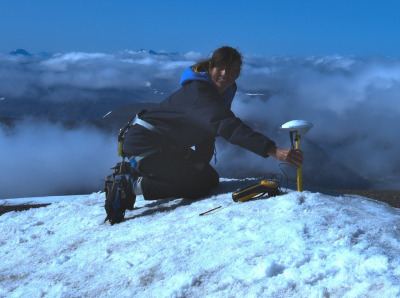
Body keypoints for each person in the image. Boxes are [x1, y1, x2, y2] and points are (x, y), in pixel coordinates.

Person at [120, 46, 302, 200]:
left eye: (231, 69)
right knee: (199, 186)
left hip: (167, 144)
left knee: (209, 178)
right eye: (220, 68)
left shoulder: (225, 90)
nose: (225, 74)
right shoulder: (199, 94)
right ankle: (131, 185)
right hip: (146, 145)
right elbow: (225, 125)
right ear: (210, 67)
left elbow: (207, 128)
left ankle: (148, 173)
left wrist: (201, 161)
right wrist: (272, 150)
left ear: (239, 72)